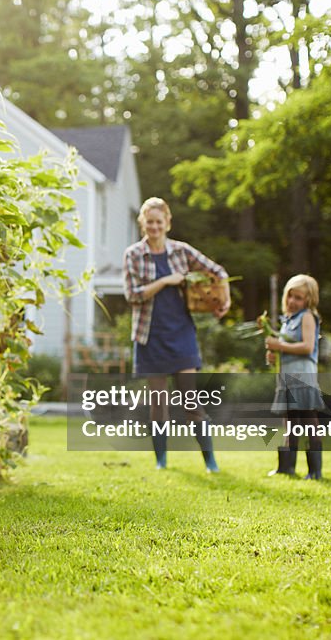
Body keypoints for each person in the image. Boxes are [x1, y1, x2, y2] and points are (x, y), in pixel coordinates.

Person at [123, 197, 230, 472]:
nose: (154, 227)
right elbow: (133, 295)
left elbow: (218, 272)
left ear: (168, 223)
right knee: (158, 405)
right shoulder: (133, 254)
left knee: (190, 401)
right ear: (142, 224)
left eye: (159, 222)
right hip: (150, 338)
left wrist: (223, 301)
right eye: (150, 222)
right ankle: (161, 461)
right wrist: (166, 281)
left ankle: (211, 462)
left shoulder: (181, 252)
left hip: (181, 336)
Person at [266, 274, 324, 480]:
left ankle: (315, 471)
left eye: (298, 298)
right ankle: (286, 467)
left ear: (308, 300)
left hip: (303, 378)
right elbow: (288, 349)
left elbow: (307, 347)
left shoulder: (307, 317)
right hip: (287, 379)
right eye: (290, 296)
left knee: (309, 421)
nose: (292, 301)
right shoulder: (288, 320)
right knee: (289, 423)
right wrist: (274, 355)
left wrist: (279, 345)